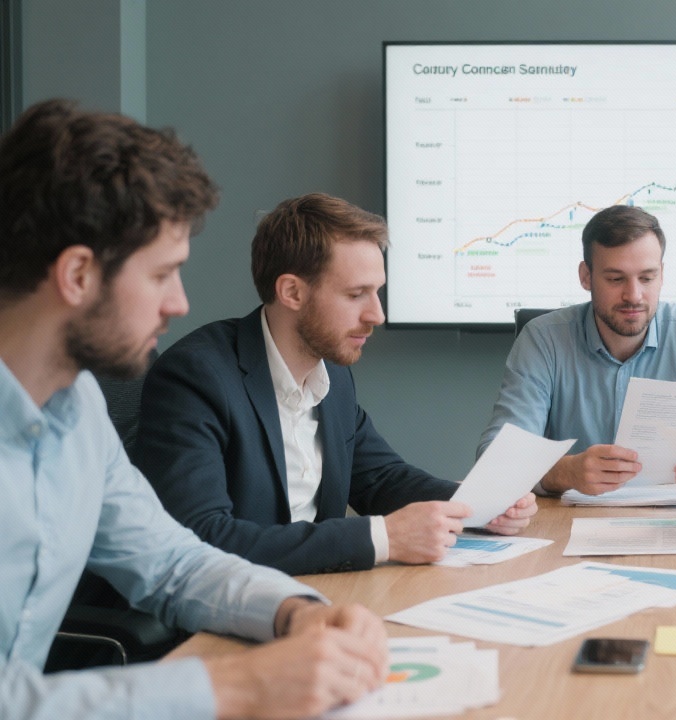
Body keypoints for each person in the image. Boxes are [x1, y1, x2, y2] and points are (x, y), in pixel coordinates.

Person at [0, 98, 388, 719]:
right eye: (161, 275)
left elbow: (171, 563)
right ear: (77, 275)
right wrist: (240, 687)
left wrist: (294, 611)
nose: (180, 303)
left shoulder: (77, 412)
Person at [136, 193, 536, 576]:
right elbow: (203, 536)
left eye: (376, 292)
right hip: (227, 615)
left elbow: (381, 478)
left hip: (321, 591)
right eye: (356, 294)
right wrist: (383, 537)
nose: (376, 314)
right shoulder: (196, 376)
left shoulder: (333, 375)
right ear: (292, 291)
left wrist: (475, 503)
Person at [477, 204, 676, 495]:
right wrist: (565, 472)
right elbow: (496, 459)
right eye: (616, 279)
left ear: (662, 274)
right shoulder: (543, 341)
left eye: (647, 277)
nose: (635, 295)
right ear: (586, 276)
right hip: (567, 527)